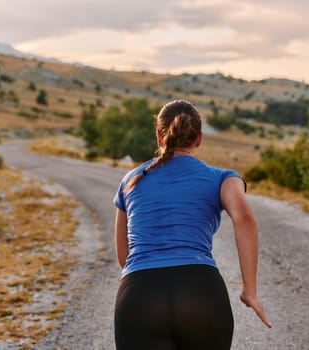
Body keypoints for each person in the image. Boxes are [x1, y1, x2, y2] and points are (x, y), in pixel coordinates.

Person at [113, 100, 271, 350]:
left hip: (140, 295)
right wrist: (249, 290)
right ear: (199, 138)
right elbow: (245, 218)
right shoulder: (224, 179)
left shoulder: (130, 181)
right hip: (200, 291)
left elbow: (124, 257)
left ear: (158, 136)